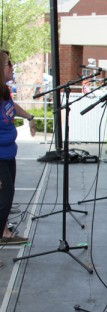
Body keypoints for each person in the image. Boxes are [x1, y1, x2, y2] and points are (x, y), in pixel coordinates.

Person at [0, 49, 35, 261]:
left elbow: (12, 107)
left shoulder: (4, 92)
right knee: (6, 195)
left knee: (7, 195)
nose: (12, 67)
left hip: (9, 153)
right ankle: (2, 234)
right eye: (8, 64)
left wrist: (30, 117)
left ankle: (3, 229)